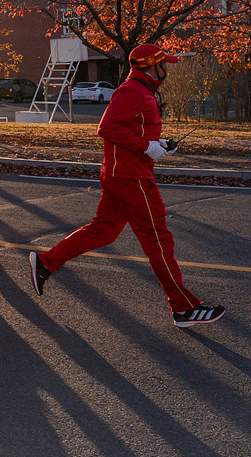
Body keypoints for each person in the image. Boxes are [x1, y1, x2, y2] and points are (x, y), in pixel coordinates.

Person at [30, 44, 225, 328]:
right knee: (159, 240)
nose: (166, 69)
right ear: (152, 67)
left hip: (123, 174)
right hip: (131, 179)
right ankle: (184, 308)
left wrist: (157, 145)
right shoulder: (132, 91)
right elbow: (107, 128)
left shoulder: (142, 91)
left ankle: (46, 262)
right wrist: (147, 146)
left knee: (104, 231)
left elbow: (130, 129)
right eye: (163, 64)